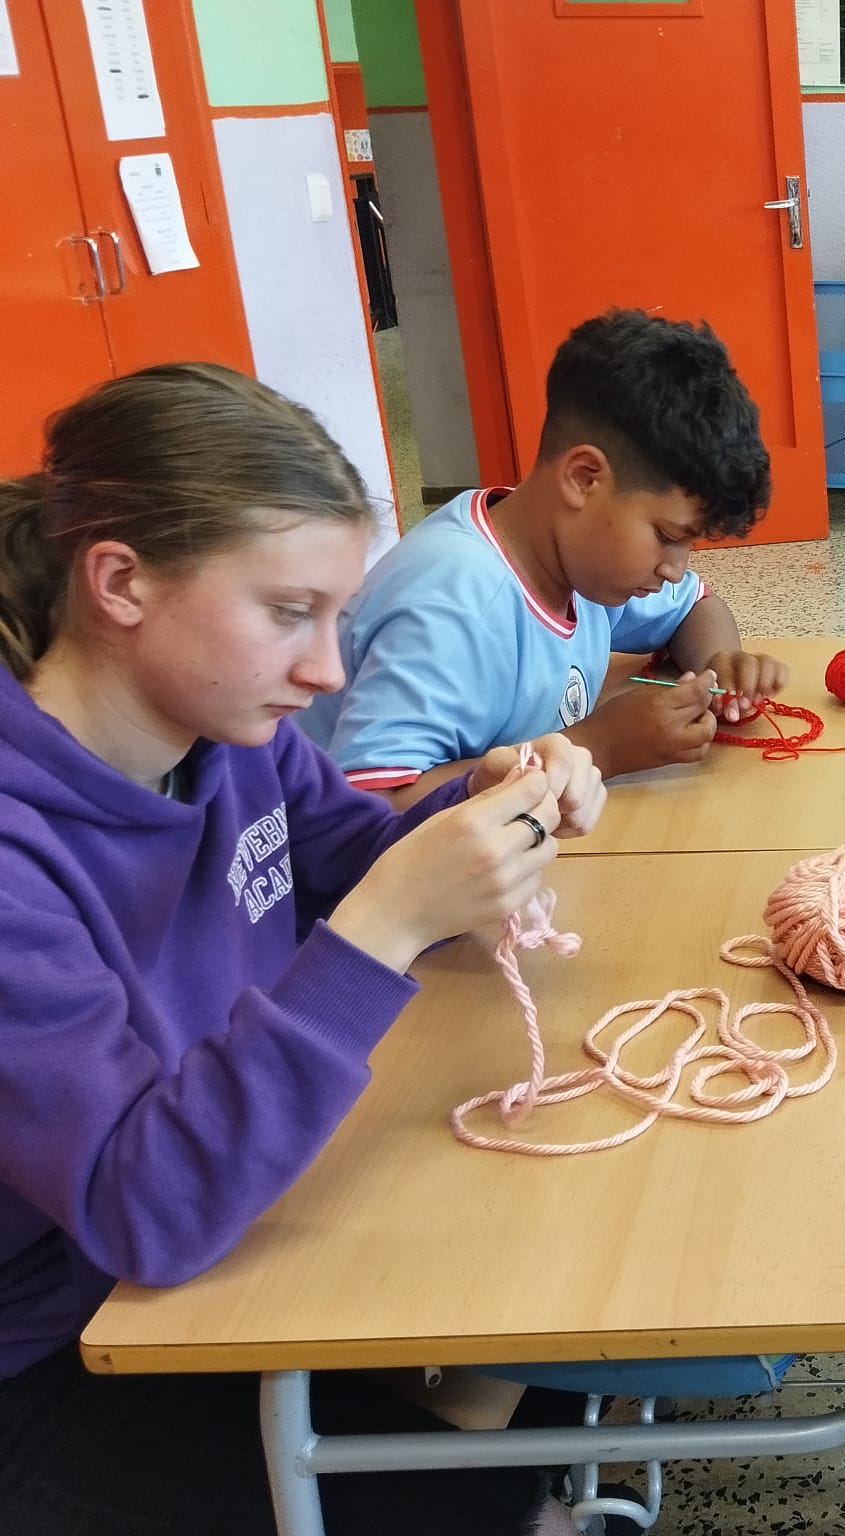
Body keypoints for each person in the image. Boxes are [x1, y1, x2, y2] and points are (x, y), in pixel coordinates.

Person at [0, 363, 603, 1535]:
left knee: (568, 1335)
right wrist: (388, 924)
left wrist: (481, 811)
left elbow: (352, 858)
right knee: (499, 1504)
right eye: (289, 613)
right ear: (119, 582)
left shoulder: (225, 728)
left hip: (229, 1229)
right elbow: (143, 1211)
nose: (327, 669)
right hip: (58, 1341)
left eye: (335, 615)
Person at [300, 309, 788, 804]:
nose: (675, 569)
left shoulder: (576, 556)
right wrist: (600, 747)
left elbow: (694, 607)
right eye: (666, 535)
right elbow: (374, 805)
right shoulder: (453, 606)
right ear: (583, 478)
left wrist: (720, 666)